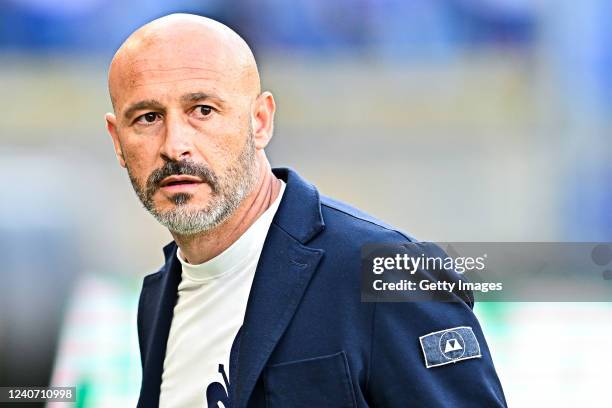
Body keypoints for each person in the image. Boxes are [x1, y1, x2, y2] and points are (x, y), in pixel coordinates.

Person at [105, 13, 507, 408]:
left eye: (203, 110)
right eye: (148, 118)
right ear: (118, 141)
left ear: (260, 121)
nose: (175, 145)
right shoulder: (160, 298)